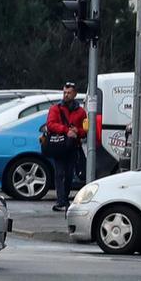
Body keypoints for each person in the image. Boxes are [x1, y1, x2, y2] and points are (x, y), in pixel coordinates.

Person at [45, 82, 87, 212]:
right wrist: (65, 130)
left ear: (74, 94)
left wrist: (77, 132)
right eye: (64, 92)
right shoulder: (56, 108)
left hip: (73, 145)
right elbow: (51, 124)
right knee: (59, 173)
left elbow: (85, 130)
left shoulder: (81, 112)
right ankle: (61, 200)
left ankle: (65, 197)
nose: (66, 95)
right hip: (59, 144)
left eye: (69, 93)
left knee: (69, 173)